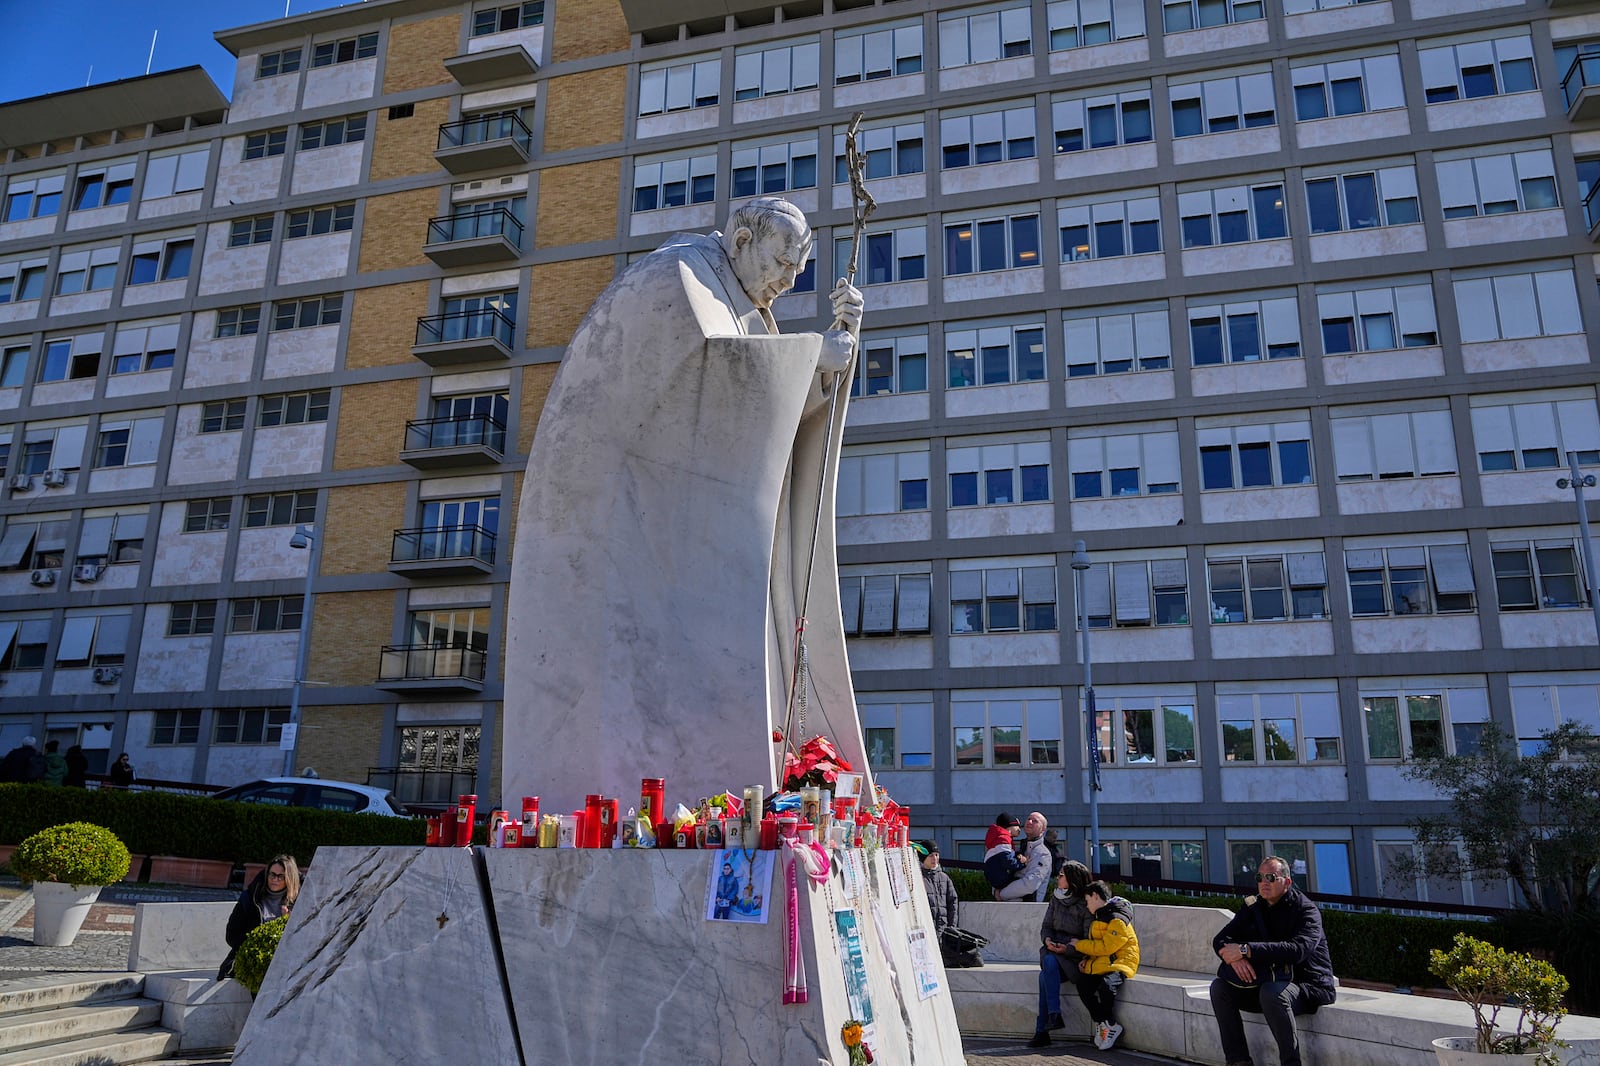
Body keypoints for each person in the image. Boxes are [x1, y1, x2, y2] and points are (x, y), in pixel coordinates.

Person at [503, 196, 869, 810]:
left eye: (794, 274)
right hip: (617, 535)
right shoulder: (676, 278)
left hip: (671, 537)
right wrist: (813, 357)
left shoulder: (746, 308)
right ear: (741, 237)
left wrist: (833, 355)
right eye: (779, 264)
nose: (783, 283)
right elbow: (710, 381)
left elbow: (757, 419)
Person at [1209, 856, 1337, 1066]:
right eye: (1260, 877)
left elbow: (1298, 950)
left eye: (1271, 877)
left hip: (1307, 985)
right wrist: (1234, 960)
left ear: (1287, 882)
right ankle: (1238, 1061)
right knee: (1219, 988)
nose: (1264, 883)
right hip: (1267, 981)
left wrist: (1246, 950)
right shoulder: (1254, 907)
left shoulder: (1306, 910)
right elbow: (1221, 939)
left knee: (1272, 993)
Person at [1027, 860, 1094, 1048]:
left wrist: (1068, 949)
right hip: (1053, 950)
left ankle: (1044, 1029)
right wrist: (1047, 940)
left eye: (1062, 875)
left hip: (1074, 957)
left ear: (1072, 879)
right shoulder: (1056, 898)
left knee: (1044, 975)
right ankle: (1052, 1017)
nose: (1058, 878)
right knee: (1048, 963)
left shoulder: (1085, 903)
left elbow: (1088, 937)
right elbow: (1046, 926)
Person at [1070, 881, 1140, 1050]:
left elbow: (1108, 947)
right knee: (1083, 984)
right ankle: (1106, 1023)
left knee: (1106, 987)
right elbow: (1100, 946)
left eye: (1087, 901)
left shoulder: (1117, 918)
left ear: (1095, 896)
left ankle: (1108, 1024)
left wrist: (1079, 945)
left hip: (1120, 962)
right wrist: (1087, 958)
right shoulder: (1100, 917)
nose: (1087, 906)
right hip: (1104, 961)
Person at [218, 854, 301, 981]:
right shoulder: (251, 898)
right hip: (255, 960)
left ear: (290, 878)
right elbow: (232, 935)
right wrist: (256, 942)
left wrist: (287, 924)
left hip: (289, 962)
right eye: (272, 874)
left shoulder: (300, 903)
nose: (275, 879)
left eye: (281, 876)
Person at [914, 840, 978, 968]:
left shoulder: (944, 878)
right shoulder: (917, 877)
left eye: (936, 855)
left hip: (944, 930)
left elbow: (953, 902)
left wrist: (952, 926)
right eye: (931, 855)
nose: (935, 859)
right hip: (926, 929)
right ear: (923, 857)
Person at [998, 812, 1052, 901]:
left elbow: (1030, 884)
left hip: (1028, 910)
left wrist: (1002, 893)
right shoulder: (1021, 848)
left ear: (1043, 829)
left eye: (1035, 821)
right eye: (1028, 819)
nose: (1029, 822)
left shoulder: (1043, 854)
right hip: (1010, 907)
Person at [983, 811, 1025, 892]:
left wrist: (1018, 855)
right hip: (1000, 877)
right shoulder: (1003, 839)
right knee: (1025, 884)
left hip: (996, 876)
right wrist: (1023, 864)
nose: (1020, 829)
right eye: (1017, 826)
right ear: (1009, 826)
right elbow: (1008, 861)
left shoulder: (1000, 838)